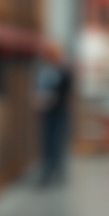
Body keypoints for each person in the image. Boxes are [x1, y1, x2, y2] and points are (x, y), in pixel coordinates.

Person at [34, 44, 72, 186]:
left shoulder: (62, 71)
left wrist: (53, 99)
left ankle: (57, 170)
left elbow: (66, 90)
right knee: (47, 141)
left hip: (59, 111)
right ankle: (47, 170)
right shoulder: (43, 70)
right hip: (46, 111)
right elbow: (37, 87)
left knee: (56, 140)